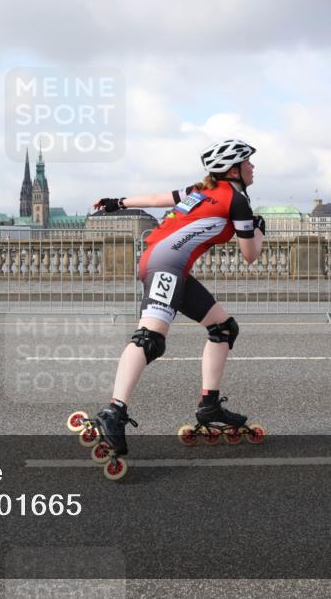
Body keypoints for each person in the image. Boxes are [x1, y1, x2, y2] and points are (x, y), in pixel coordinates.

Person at [91, 139, 266, 455]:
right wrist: (258, 229)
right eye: (247, 162)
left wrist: (119, 202)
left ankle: (210, 405)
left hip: (166, 263)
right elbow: (250, 254)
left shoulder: (199, 190)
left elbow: (157, 199)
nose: (253, 167)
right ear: (233, 170)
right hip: (167, 265)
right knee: (149, 339)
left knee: (223, 328)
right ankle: (113, 411)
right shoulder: (237, 201)